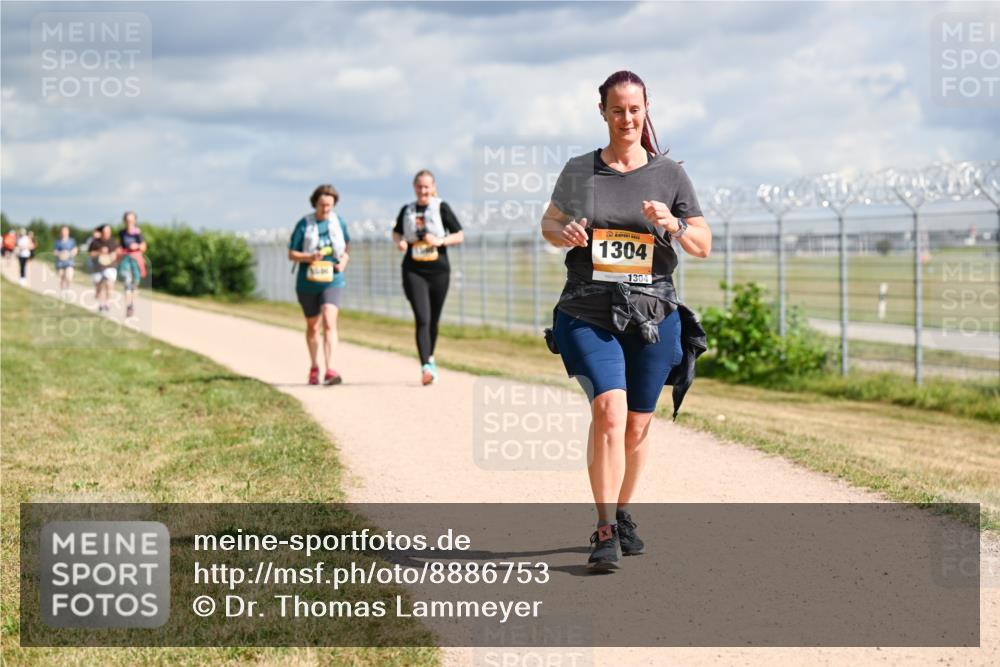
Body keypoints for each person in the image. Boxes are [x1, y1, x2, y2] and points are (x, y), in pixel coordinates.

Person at [540, 70, 712, 571]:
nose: (627, 118)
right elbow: (548, 224)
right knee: (609, 413)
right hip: (587, 310)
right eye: (617, 110)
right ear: (603, 112)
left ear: (646, 110)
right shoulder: (580, 170)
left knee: (636, 425)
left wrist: (674, 225)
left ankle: (622, 510)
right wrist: (564, 231)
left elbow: (702, 244)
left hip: (653, 315)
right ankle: (604, 526)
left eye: (635, 109)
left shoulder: (669, 175)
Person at [392, 170, 464, 385]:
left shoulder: (441, 207)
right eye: (419, 187)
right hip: (413, 270)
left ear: (433, 187)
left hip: (439, 270)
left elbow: (459, 235)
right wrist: (400, 242)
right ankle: (426, 365)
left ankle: (430, 358)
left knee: (433, 319)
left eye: (426, 187)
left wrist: (439, 241)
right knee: (422, 318)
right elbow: (397, 231)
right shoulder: (407, 210)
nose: (423, 190)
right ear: (414, 187)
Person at [288, 184, 350, 385]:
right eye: (322, 205)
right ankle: (314, 366)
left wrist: (343, 262)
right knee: (313, 327)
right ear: (315, 204)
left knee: (329, 322)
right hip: (308, 281)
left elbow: (347, 247)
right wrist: (309, 256)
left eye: (330, 206)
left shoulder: (338, 222)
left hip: (333, 280)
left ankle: (330, 369)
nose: (326, 209)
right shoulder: (304, 224)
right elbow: (292, 253)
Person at [117, 211, 148, 318]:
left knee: (135, 284)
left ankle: (131, 304)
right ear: (124, 221)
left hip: (136, 260)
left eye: (131, 220)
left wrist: (137, 246)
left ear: (135, 221)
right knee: (127, 282)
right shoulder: (121, 233)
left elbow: (144, 247)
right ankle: (129, 306)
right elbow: (120, 247)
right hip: (125, 260)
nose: (129, 222)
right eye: (127, 220)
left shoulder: (138, 233)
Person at [89, 224, 119, 312]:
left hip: (110, 266)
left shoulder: (113, 241)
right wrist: (99, 252)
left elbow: (117, 252)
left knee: (109, 285)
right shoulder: (95, 242)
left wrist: (112, 255)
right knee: (99, 287)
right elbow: (91, 254)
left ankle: (107, 304)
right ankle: (101, 303)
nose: (107, 234)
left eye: (109, 232)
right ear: (101, 233)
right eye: (105, 232)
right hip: (97, 267)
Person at [53, 226, 79, 297]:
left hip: (69, 262)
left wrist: (69, 254)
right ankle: (62, 291)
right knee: (62, 277)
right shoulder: (57, 242)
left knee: (69, 276)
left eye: (65, 231)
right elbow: (55, 251)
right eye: (63, 231)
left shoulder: (72, 241)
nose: (64, 233)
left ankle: (67, 289)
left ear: (68, 232)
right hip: (60, 262)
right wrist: (60, 254)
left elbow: (75, 250)